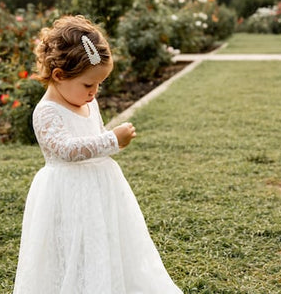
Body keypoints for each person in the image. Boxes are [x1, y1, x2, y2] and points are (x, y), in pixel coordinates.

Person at [13, 15, 182, 294]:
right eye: (88, 85)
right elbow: (66, 150)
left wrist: (108, 138)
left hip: (100, 188)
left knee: (102, 243)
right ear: (58, 76)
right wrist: (112, 141)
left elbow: (94, 132)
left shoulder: (89, 103)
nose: (94, 92)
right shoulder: (46, 112)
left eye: (99, 85)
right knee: (71, 248)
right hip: (66, 193)